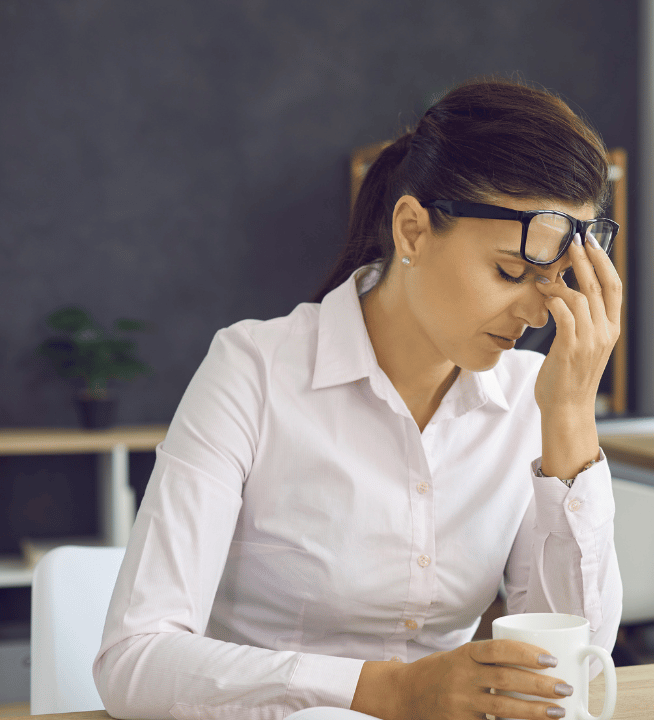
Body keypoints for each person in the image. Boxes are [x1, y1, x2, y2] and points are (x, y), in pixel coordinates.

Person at [93, 79, 624, 720]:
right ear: (412, 230)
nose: (537, 308)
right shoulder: (253, 372)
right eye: (510, 271)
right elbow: (134, 660)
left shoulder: (527, 398)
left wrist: (569, 414)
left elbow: (574, 664)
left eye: (556, 280)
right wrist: (391, 692)